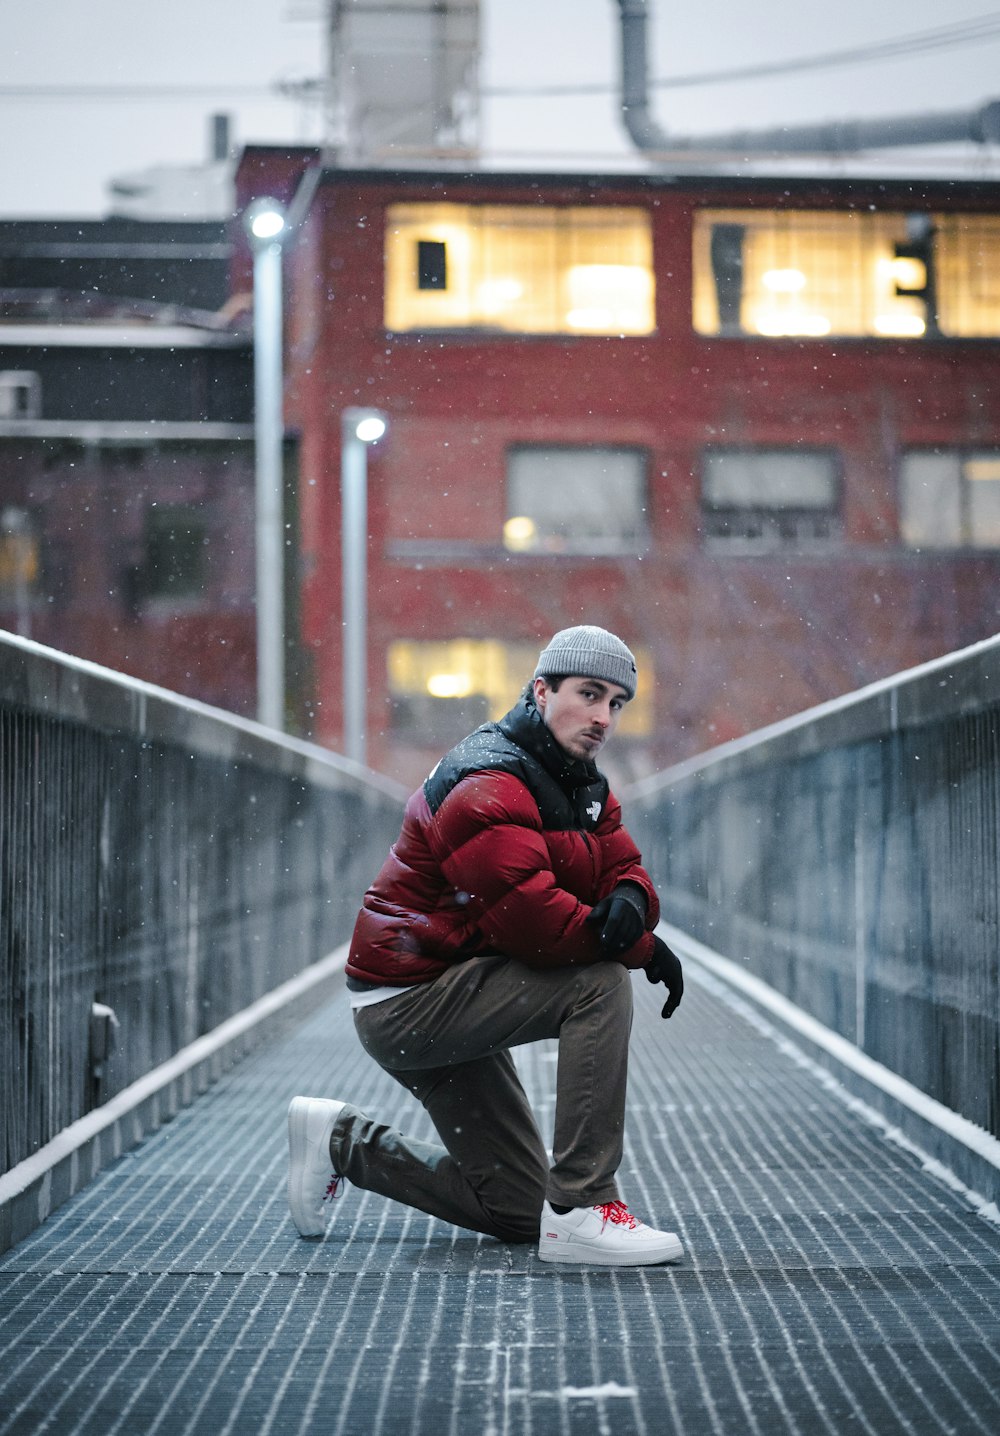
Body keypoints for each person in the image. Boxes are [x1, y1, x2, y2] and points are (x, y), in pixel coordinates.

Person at [287, 625, 685, 1266]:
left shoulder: (581, 783)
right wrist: (638, 949)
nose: (602, 716)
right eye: (588, 694)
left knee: (520, 1210)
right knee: (600, 984)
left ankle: (342, 1143)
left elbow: (623, 865)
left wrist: (633, 904)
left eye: (616, 703)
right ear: (541, 689)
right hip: (409, 1004)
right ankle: (584, 1206)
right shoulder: (487, 782)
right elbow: (535, 928)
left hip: (453, 992)